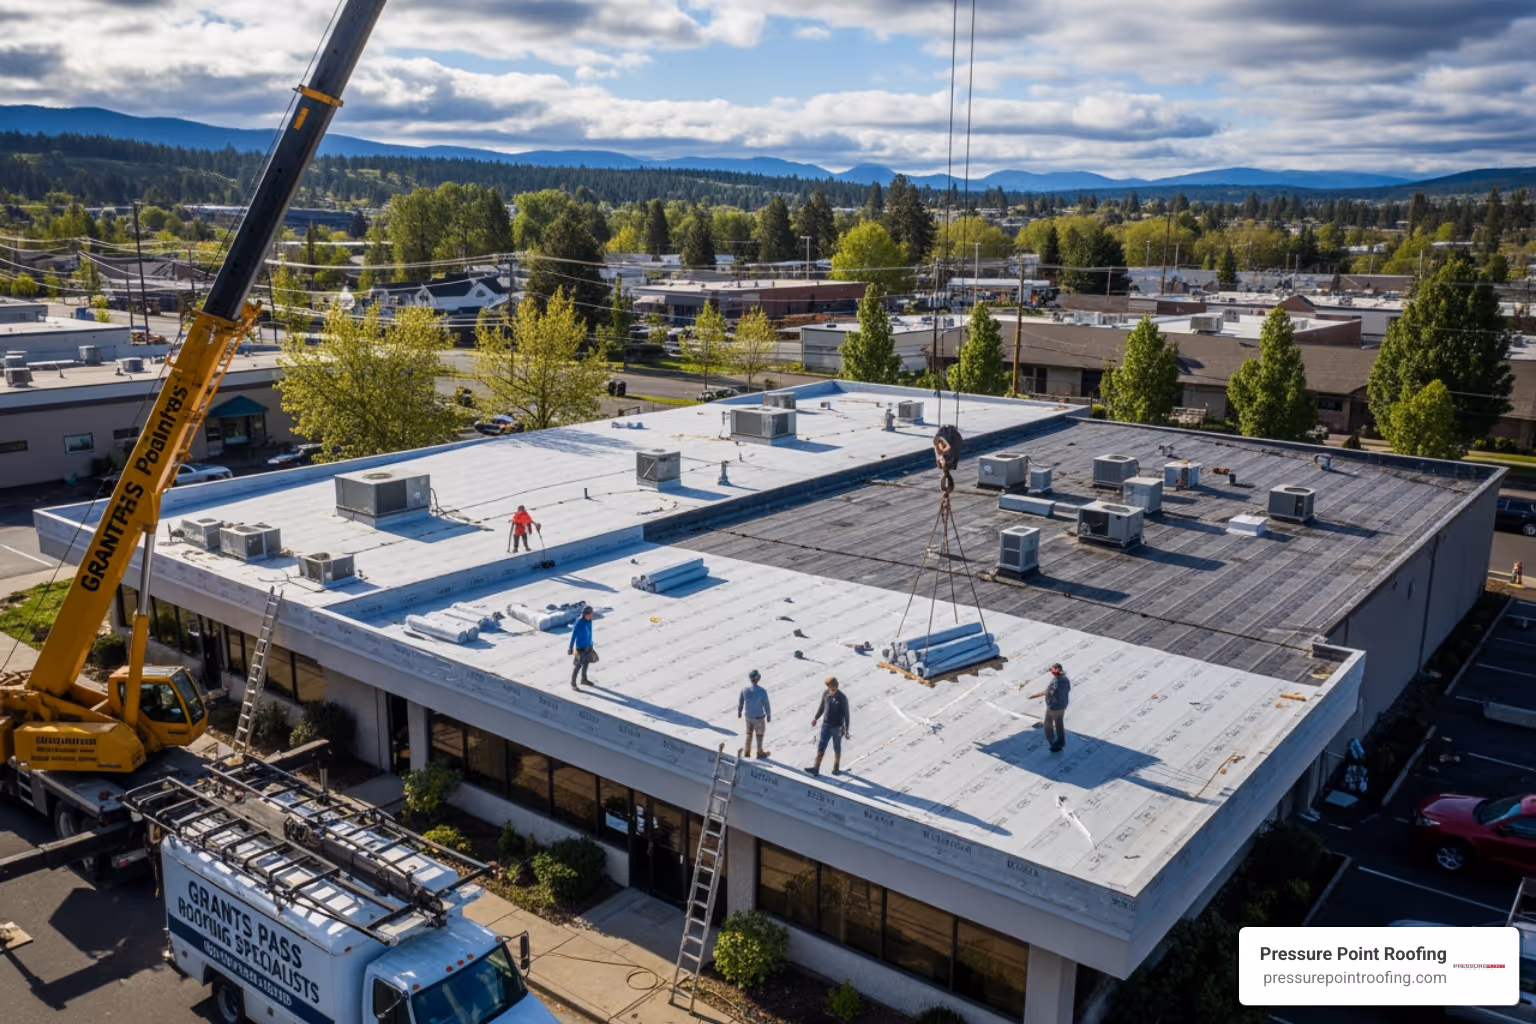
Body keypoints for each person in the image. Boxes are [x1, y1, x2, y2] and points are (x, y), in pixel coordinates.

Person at [806, 677, 850, 776]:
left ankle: (836, 767)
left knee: (836, 746)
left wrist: (846, 729)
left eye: (831, 687)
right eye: (828, 687)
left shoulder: (842, 698)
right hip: (826, 725)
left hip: (837, 727)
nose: (830, 689)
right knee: (821, 746)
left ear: (836, 686)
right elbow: (822, 707)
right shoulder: (826, 694)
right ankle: (816, 768)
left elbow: (846, 714)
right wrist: (816, 718)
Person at [1022, 663, 1071, 753]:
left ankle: (1053, 743)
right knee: (1059, 724)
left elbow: (1052, 692)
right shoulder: (1062, 679)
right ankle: (1060, 743)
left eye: (1052, 670)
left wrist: (1051, 699)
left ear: (1056, 670)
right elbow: (1055, 690)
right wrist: (1036, 696)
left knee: (1048, 724)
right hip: (1061, 705)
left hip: (1054, 707)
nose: (1051, 672)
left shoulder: (1058, 681)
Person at [737, 669, 772, 759]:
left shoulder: (745, 689)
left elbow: (741, 702)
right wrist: (768, 714)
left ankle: (747, 751)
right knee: (759, 734)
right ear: (758, 678)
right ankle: (759, 752)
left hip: (748, 716)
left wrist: (739, 711)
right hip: (759, 717)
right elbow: (766, 704)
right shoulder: (762, 691)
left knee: (749, 733)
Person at [568, 606, 595, 691]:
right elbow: (573, 636)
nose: (590, 616)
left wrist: (591, 643)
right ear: (584, 614)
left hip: (588, 646)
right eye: (589, 614)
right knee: (578, 666)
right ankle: (573, 684)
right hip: (580, 648)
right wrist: (570, 648)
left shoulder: (589, 621)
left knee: (586, 663)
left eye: (591, 614)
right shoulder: (579, 622)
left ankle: (584, 680)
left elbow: (590, 633)